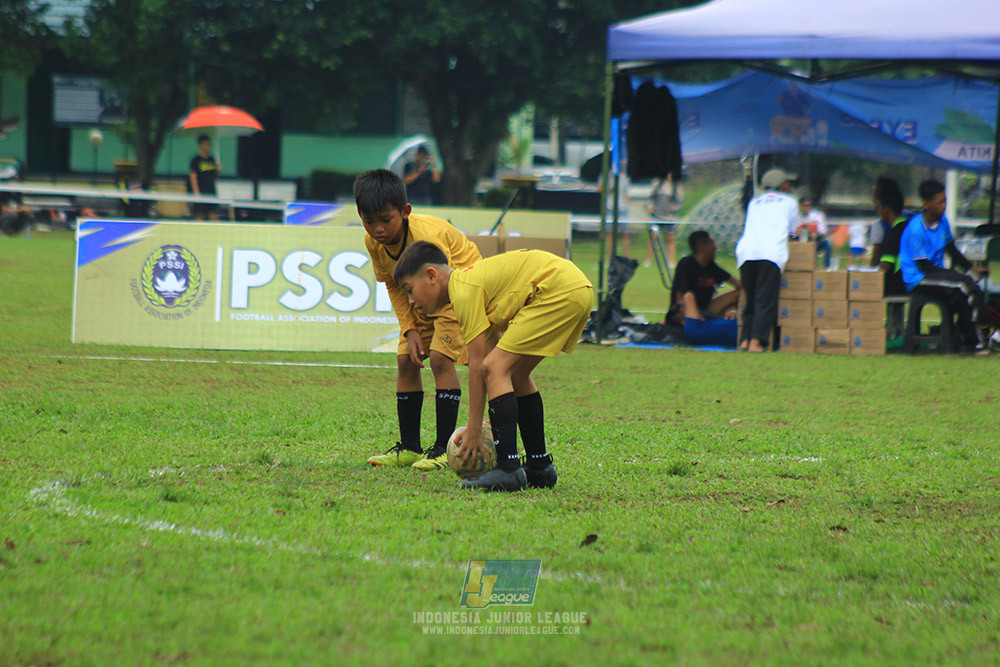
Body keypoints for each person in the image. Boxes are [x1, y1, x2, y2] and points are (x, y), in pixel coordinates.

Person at [392, 241, 593, 492]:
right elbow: (491, 346)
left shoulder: (462, 291)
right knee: (516, 373)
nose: (410, 301)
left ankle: (508, 469)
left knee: (495, 368)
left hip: (558, 290)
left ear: (431, 276)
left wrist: (475, 428)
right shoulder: (468, 285)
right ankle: (539, 466)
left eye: (409, 290)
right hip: (575, 287)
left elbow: (479, 367)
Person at [355, 169, 483, 470]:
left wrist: (428, 329)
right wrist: (409, 329)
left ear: (405, 211)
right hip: (422, 293)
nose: (377, 229)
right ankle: (410, 447)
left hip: (458, 288)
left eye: (386, 220)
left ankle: (442, 449)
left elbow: (440, 281)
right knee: (405, 360)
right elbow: (393, 284)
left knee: (440, 358)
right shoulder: (373, 242)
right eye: (368, 220)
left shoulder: (426, 236)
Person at [899, 179, 989, 354]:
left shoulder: (943, 222)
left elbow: (952, 250)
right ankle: (981, 326)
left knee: (962, 292)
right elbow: (925, 267)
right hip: (919, 278)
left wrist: (971, 269)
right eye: (940, 202)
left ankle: (967, 341)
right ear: (927, 203)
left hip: (937, 274)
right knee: (963, 284)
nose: (944, 205)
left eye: (945, 200)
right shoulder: (915, 229)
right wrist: (954, 276)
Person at [735, 167, 801, 352]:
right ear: (783, 185)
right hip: (771, 253)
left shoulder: (754, 202)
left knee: (751, 298)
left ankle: (745, 340)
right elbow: (793, 231)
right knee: (765, 299)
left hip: (746, 252)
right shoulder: (790, 202)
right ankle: (757, 341)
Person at [667, 230, 742, 347]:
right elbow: (680, 297)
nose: (716, 248)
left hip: (706, 310)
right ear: (703, 247)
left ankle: (741, 317)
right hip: (685, 312)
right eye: (712, 244)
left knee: (739, 293)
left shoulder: (711, 266)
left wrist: (732, 308)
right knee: (689, 297)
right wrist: (694, 315)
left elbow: (737, 284)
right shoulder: (686, 264)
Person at [874, 180, 909, 295]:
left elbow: (886, 265)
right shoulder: (907, 226)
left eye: (879, 208)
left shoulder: (893, 232)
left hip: (899, 283)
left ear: (887, 209)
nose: (879, 212)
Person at [188, 135, 220, 220]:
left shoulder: (212, 160)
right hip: (201, 192)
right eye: (206, 144)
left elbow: (215, 176)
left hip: (211, 192)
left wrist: (218, 169)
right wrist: (197, 194)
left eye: (209, 144)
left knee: (213, 215)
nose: (208, 146)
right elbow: (193, 177)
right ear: (200, 145)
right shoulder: (196, 160)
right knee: (200, 216)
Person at [799, 197, 831, 269]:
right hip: (801, 241)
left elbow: (823, 230)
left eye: (809, 205)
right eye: (805, 205)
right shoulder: (797, 216)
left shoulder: (817, 215)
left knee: (827, 243)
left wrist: (816, 232)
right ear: (801, 206)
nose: (807, 207)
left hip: (815, 240)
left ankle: (826, 267)